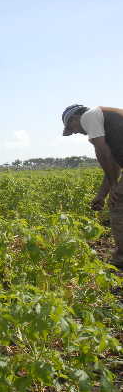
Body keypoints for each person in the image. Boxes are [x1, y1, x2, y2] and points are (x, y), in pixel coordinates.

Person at [62, 104, 123, 270]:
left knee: (118, 204)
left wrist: (115, 187)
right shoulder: (104, 127)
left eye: (71, 127)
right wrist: (102, 195)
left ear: (76, 117)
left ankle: (121, 258)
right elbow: (113, 165)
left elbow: (104, 153)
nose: (74, 132)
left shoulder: (89, 116)